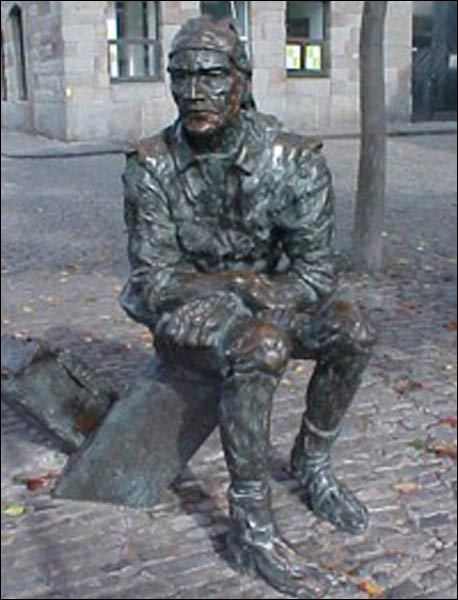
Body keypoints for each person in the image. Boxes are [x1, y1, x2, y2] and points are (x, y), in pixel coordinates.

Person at [120, 17, 375, 598]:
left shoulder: (294, 161)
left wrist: (256, 290)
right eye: (180, 76)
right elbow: (155, 279)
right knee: (260, 345)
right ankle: (251, 524)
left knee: (352, 330)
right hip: (191, 314)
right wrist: (236, 286)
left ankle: (312, 465)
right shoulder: (152, 166)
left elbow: (314, 274)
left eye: (210, 75)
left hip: (268, 302)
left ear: (242, 79)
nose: (193, 92)